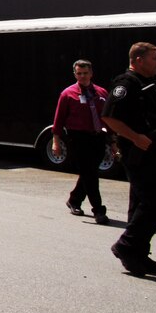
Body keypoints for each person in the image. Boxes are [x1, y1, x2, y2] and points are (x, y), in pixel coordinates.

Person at [102, 42, 156, 277]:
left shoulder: (149, 83)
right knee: (154, 202)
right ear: (138, 60)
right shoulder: (126, 83)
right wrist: (135, 138)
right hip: (138, 153)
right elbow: (110, 117)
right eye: (154, 58)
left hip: (152, 152)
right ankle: (126, 246)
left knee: (140, 204)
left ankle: (138, 254)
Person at [51, 59, 111, 223]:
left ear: (91, 73)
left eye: (85, 73)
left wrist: (113, 141)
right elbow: (58, 120)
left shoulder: (102, 93)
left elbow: (107, 118)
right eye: (79, 73)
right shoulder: (68, 94)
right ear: (75, 74)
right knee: (90, 172)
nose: (82, 76)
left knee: (89, 172)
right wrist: (56, 142)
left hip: (98, 136)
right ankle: (98, 210)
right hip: (78, 138)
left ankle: (74, 200)